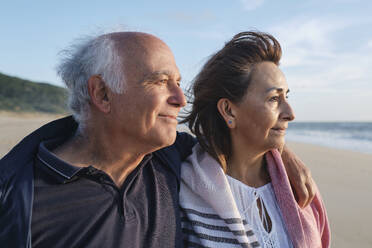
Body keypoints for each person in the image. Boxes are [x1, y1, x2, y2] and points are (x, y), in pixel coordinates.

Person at [0, 31, 315, 248]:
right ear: (102, 93)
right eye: (161, 81)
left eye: (178, 82)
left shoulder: (172, 158)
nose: (180, 98)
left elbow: (234, 145)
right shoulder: (19, 197)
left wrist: (282, 154)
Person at [180, 32, 330, 248]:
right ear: (229, 110)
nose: (290, 113)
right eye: (274, 99)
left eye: (286, 96)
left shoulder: (297, 185)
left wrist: (284, 152)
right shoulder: (185, 189)